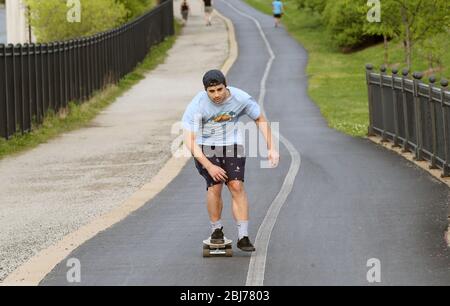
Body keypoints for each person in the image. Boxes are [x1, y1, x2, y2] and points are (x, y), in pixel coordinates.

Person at [182, 70, 280, 252]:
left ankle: (243, 237)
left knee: (236, 186)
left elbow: (260, 119)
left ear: (226, 86)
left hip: (232, 144)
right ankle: (216, 231)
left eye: (220, 89)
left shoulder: (241, 98)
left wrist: (271, 148)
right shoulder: (197, 105)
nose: (217, 95)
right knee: (215, 186)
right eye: (212, 92)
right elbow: (189, 141)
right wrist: (210, 166)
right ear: (206, 91)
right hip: (205, 146)